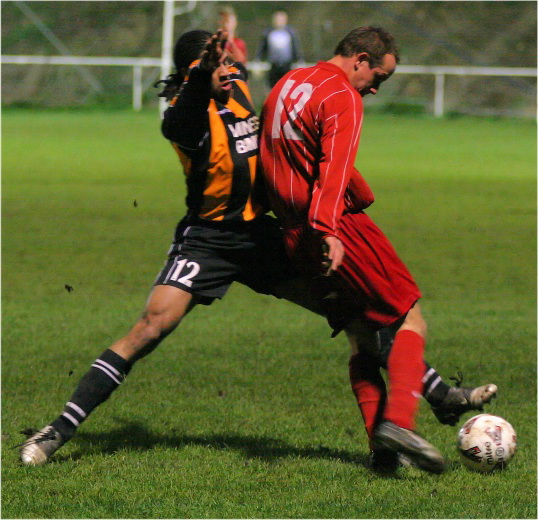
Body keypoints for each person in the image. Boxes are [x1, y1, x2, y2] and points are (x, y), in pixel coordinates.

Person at [19, 29, 496, 469]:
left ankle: (422, 407)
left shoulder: (242, 89)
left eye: (230, 63)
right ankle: (56, 432)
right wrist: (203, 78)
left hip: (264, 236)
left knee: (359, 314)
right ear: (194, 74)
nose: (230, 71)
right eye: (217, 66)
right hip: (209, 239)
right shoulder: (184, 116)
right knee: (150, 327)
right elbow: (182, 117)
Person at [259, 26, 481, 473]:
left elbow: (271, 154)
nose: (376, 89)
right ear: (359, 60)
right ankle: (399, 423)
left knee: (363, 337)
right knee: (409, 316)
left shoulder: (287, 83)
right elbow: (333, 168)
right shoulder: (343, 96)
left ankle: (383, 453)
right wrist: (328, 229)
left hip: (292, 234)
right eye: (378, 76)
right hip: (335, 231)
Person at [255, 9, 302, 88]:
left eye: (281, 19)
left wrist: (299, 61)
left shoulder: (291, 33)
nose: (279, 21)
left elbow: (296, 48)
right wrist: (258, 61)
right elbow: (261, 49)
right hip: (273, 67)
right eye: (277, 19)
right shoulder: (267, 33)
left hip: (287, 66)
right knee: (273, 88)